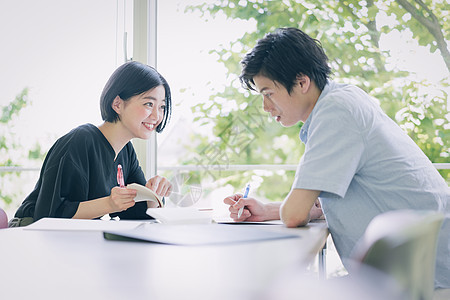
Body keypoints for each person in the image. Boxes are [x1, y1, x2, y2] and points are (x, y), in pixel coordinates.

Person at [223, 27, 450, 288]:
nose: (265, 107)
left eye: (268, 93)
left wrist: (284, 211)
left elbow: (294, 215)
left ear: (301, 82)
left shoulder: (336, 113)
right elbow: (323, 205)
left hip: (426, 281)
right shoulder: (341, 100)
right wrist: (266, 210)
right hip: (417, 271)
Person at [9, 61, 173, 227]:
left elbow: (134, 214)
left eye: (162, 107)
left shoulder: (126, 151)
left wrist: (153, 196)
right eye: (149, 104)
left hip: (72, 236)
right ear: (117, 104)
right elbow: (51, 215)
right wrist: (110, 203)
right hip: (28, 231)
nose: (156, 115)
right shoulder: (80, 141)